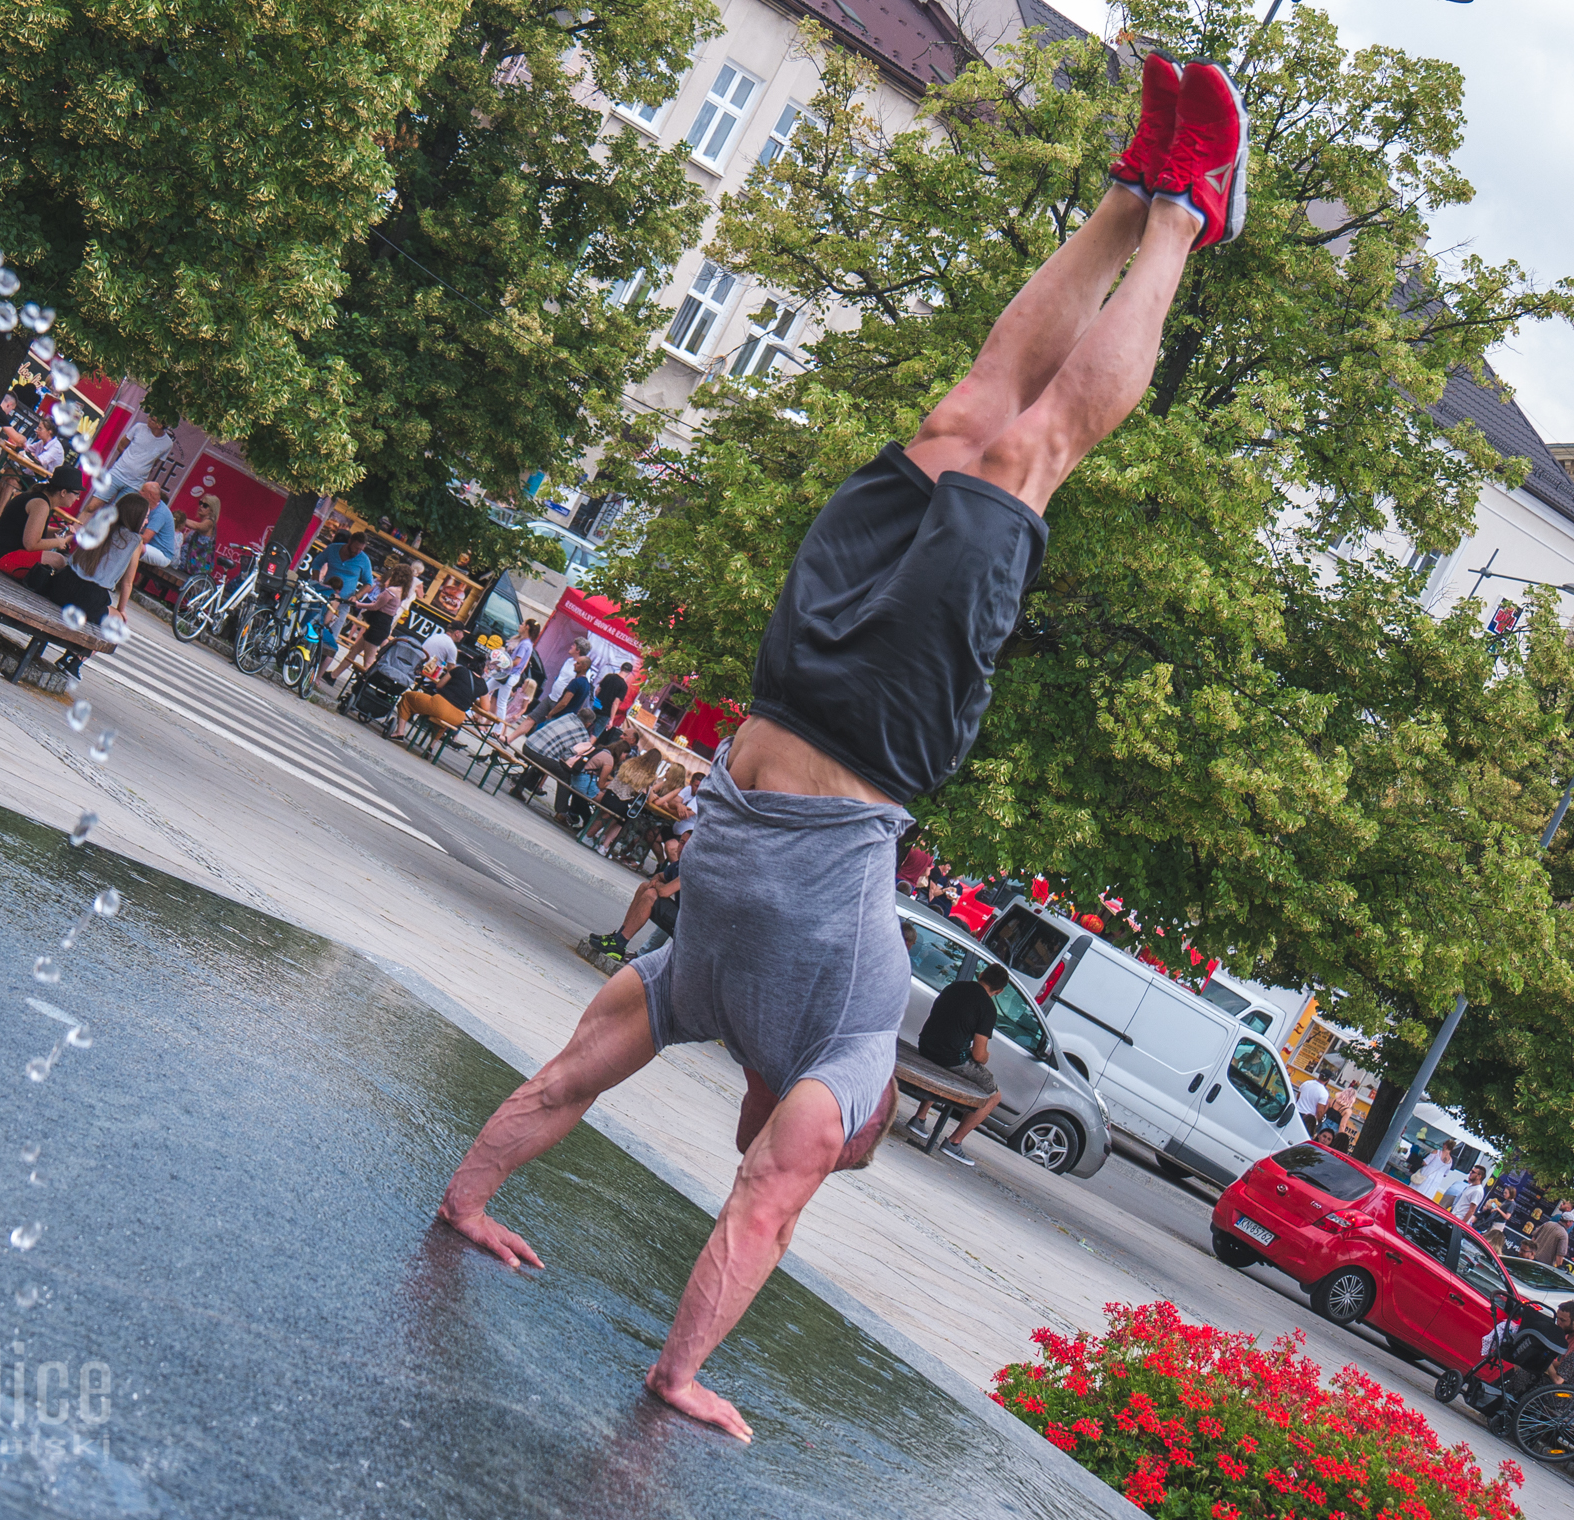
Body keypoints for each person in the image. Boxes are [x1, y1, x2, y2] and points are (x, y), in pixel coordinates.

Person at [433, 50, 1252, 1439]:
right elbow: (763, 1219)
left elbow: (574, 1086)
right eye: (830, 1142)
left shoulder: (692, 984)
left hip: (790, 685)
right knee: (1023, 453)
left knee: (960, 422)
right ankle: (1181, 216)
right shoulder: (857, 1053)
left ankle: (1142, 201)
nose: (809, 1144)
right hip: (888, 730)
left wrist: (471, 1200)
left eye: (815, 1139)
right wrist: (682, 1374)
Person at [902, 964, 1012, 1167]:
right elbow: (978, 1055)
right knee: (994, 1096)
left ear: (981, 974)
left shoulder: (955, 987)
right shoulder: (987, 1008)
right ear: (999, 991)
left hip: (926, 1045)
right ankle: (954, 1142)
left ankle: (920, 1118)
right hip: (950, 1058)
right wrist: (985, 1056)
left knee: (946, 1069)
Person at [36, 491, 148, 628]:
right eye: (146, 517)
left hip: (62, 585)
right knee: (118, 621)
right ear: (136, 517)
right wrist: (121, 610)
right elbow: (127, 583)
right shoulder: (135, 541)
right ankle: (81, 650)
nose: (147, 521)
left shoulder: (98, 523)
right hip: (90, 599)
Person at [588, 835, 686, 961]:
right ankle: (618, 937)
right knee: (644, 887)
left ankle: (619, 944)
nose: (681, 848)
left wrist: (657, 884)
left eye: (686, 844)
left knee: (651, 895)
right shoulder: (679, 864)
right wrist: (656, 882)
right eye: (681, 842)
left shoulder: (694, 869)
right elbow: (659, 876)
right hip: (680, 918)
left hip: (689, 930)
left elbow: (664, 892)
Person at [0, 462, 83, 580]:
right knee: (58, 560)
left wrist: (58, 531)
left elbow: (30, 529)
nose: (78, 498)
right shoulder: (41, 504)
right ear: (63, 492)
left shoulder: (40, 499)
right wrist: (58, 542)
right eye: (77, 494)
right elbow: (31, 544)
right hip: (3, 557)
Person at [324, 563, 413, 687]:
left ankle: (364, 687)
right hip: (381, 626)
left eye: (393, 573)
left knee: (368, 660)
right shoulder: (401, 592)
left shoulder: (392, 591)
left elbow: (375, 606)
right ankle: (333, 675)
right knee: (354, 651)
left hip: (378, 626)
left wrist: (358, 604)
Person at [389, 647, 487, 743]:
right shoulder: (483, 684)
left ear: (470, 664)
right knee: (444, 722)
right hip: (458, 717)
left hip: (440, 705)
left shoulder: (459, 670)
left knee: (407, 698)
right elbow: (486, 707)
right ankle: (431, 747)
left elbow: (439, 686)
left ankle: (399, 732)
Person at [86, 415, 174, 507]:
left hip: (135, 483)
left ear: (160, 425)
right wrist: (128, 460)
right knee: (93, 506)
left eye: (152, 419)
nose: (148, 419)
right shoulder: (139, 427)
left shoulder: (168, 444)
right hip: (117, 473)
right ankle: (79, 521)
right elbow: (121, 445)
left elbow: (155, 463)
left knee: (116, 514)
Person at [592, 750, 663, 855]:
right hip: (619, 803)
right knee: (627, 818)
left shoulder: (630, 763)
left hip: (608, 797)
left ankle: (602, 836)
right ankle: (605, 844)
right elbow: (648, 797)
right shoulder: (649, 776)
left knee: (621, 814)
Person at [177, 493, 220, 575]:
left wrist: (178, 517)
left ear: (212, 510)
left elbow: (198, 526)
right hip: (184, 562)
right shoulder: (197, 527)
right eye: (200, 503)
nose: (200, 506)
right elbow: (183, 538)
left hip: (194, 568)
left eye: (205, 505)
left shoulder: (209, 523)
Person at [595, 663, 635, 741]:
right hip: (605, 712)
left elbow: (597, 691)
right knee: (595, 734)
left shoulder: (608, 676)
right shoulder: (624, 686)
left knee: (586, 724)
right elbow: (615, 703)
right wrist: (611, 720)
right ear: (629, 673)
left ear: (621, 667)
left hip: (596, 706)